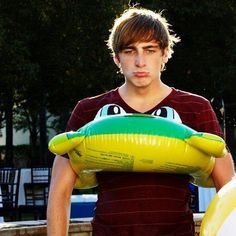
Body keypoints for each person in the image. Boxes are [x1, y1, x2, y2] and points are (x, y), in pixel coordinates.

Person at [47, 7, 235, 236]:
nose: (139, 61)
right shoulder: (89, 110)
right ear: (117, 57)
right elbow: (59, 192)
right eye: (129, 50)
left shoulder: (196, 108)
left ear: (165, 54)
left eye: (149, 50)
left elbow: (228, 192)